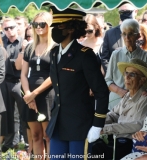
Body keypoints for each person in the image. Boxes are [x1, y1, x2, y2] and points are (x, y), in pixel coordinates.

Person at [23, 7, 109, 159]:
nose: (54, 30)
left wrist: (97, 124)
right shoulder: (55, 53)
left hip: (80, 125)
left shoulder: (85, 55)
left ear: (71, 28)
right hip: (58, 124)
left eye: (59, 26)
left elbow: (101, 91)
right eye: (54, 26)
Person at [93, 59, 147, 159]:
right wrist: (98, 123)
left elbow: (137, 126)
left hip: (130, 144)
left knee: (96, 150)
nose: (127, 77)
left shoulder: (145, 99)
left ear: (142, 80)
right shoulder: (127, 95)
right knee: (92, 144)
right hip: (115, 139)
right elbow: (113, 114)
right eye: (126, 73)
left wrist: (107, 128)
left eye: (132, 74)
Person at [20, 11, 55, 159]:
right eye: (35, 24)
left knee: (48, 136)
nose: (38, 27)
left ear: (49, 25)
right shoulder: (29, 47)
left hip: (48, 95)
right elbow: (23, 74)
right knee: (35, 135)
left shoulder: (55, 47)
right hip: (30, 94)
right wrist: (28, 94)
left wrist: (35, 93)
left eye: (42, 24)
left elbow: (54, 76)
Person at [105, 19, 147, 110]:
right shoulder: (115, 54)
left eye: (130, 34)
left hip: (137, 103)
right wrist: (120, 91)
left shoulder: (146, 56)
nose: (127, 37)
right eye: (124, 34)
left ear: (138, 36)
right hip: (115, 102)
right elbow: (108, 81)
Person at [1, 17, 26, 152]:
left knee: (24, 114)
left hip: (20, 81)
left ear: (17, 27)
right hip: (5, 82)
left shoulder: (24, 43)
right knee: (9, 115)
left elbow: (22, 66)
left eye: (11, 27)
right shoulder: (1, 42)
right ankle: (11, 143)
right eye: (6, 28)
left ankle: (28, 143)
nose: (9, 30)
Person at [99, 2, 138, 73]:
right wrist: (112, 76)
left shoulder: (142, 32)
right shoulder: (110, 33)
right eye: (122, 12)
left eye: (128, 11)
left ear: (136, 11)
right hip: (115, 78)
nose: (125, 14)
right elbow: (105, 58)